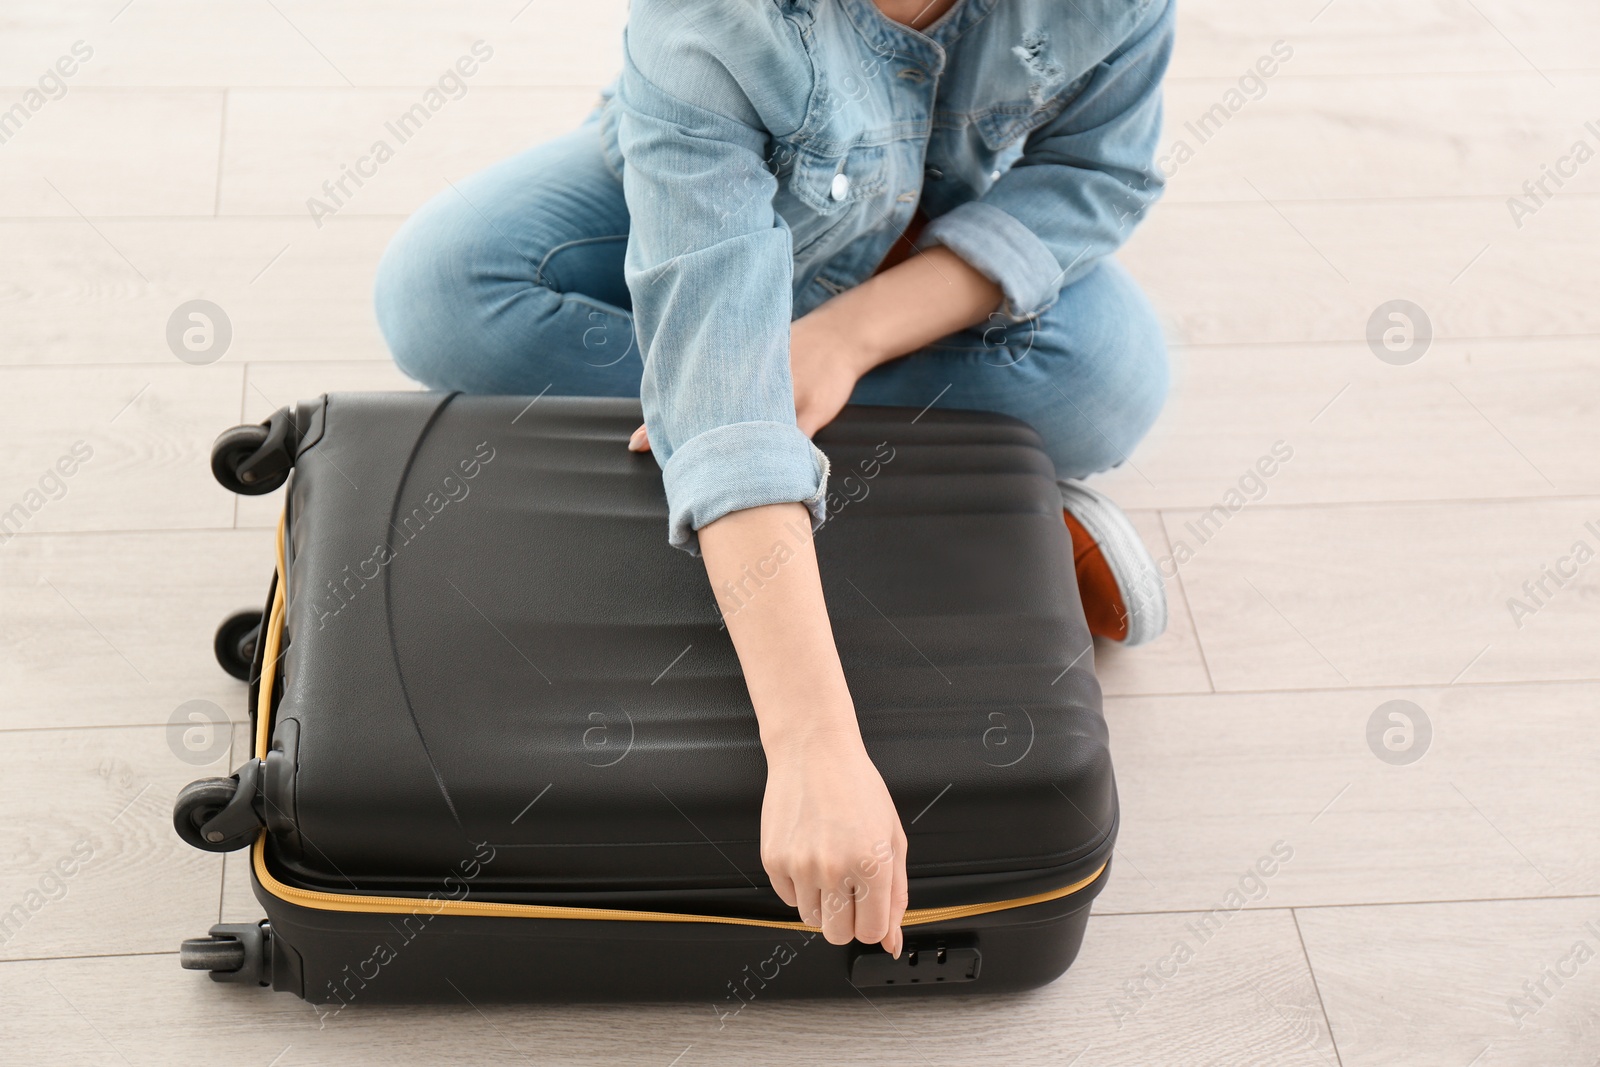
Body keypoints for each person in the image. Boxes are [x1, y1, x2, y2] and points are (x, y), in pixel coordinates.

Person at [374, 0, 1174, 961]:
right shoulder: (708, 17)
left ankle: (771, 430)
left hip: (919, 260)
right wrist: (811, 745)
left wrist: (846, 336)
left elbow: (1092, 175)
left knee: (1112, 378)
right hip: (714, 198)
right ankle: (963, 474)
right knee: (440, 292)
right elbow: (709, 320)